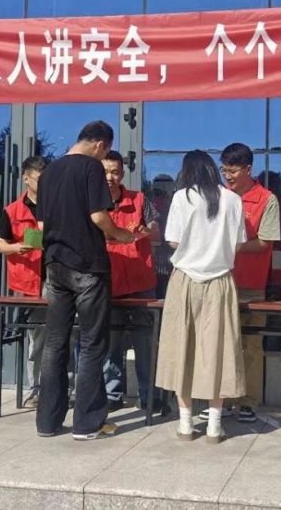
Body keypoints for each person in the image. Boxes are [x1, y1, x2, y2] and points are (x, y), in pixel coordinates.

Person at [35, 121, 135, 441]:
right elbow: (98, 216)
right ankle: (87, 423)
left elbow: (41, 224)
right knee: (92, 344)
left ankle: (48, 421)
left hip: (55, 265)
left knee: (55, 342)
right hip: (88, 266)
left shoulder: (49, 172)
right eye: (106, 152)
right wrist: (121, 235)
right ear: (101, 145)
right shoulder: (90, 168)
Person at [156, 150, 247, 444]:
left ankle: (185, 424)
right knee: (217, 350)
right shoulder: (233, 199)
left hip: (184, 279)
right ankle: (214, 426)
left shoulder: (181, 197)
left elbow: (173, 240)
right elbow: (238, 243)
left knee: (181, 347)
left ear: (187, 171)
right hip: (220, 281)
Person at [196, 143, 280, 424]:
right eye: (224, 170)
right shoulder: (217, 196)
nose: (227, 176)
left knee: (250, 344)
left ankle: (248, 401)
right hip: (217, 280)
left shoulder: (267, 199)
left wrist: (230, 246)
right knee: (217, 342)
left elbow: (265, 242)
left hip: (250, 284)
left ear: (248, 169)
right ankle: (218, 399)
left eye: (232, 171)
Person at [103, 150, 164, 413]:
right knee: (110, 341)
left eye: (115, 172)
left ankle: (149, 395)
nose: (110, 177)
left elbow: (157, 231)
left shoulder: (139, 199)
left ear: (122, 174)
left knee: (145, 342)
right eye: (105, 172)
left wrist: (148, 230)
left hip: (141, 281)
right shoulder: (91, 202)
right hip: (108, 280)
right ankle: (112, 394)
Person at [0, 155, 49, 410]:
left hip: (58, 276)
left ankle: (66, 387)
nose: (45, 184)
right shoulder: (12, 210)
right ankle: (35, 389)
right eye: (40, 179)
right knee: (36, 336)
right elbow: (0, 244)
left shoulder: (58, 205)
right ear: (26, 179)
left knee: (68, 334)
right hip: (29, 281)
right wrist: (17, 247)